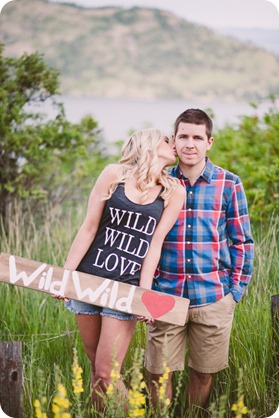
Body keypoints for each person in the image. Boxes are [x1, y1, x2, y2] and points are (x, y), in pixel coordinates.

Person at [61, 128, 186, 410]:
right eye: (167, 139)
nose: (174, 144)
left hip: (125, 289)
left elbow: (155, 245)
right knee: (96, 369)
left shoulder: (174, 190)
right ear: (150, 144)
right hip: (87, 280)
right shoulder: (113, 175)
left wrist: (144, 294)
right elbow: (89, 227)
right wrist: (65, 277)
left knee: (108, 372)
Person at [144, 109, 254, 413]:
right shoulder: (158, 183)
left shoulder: (229, 184)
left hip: (214, 297)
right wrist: (148, 287)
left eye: (197, 137)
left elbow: (243, 241)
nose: (190, 143)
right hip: (166, 294)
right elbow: (145, 238)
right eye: (183, 136)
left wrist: (235, 292)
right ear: (174, 142)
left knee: (203, 373)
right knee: (158, 372)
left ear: (209, 142)